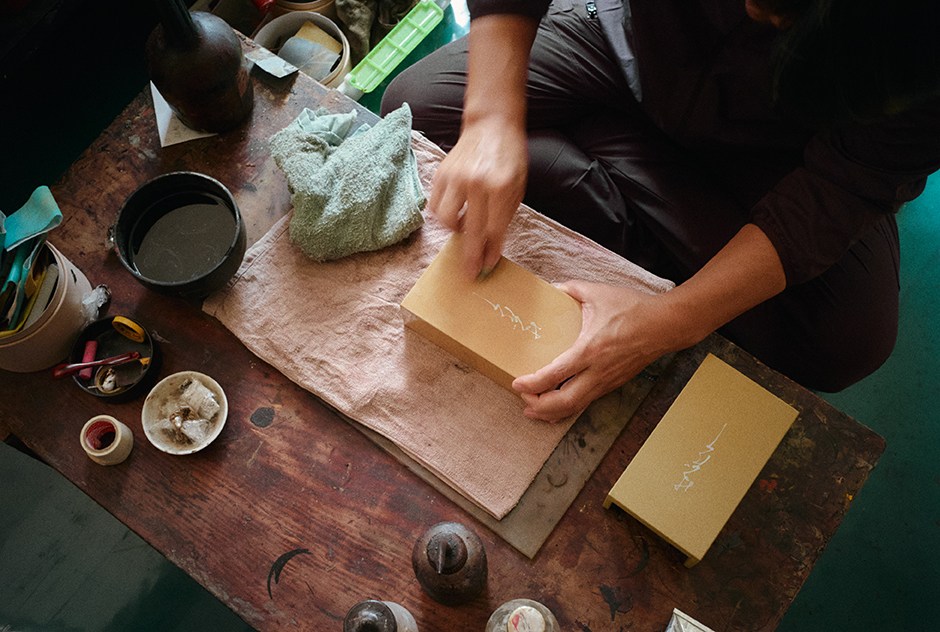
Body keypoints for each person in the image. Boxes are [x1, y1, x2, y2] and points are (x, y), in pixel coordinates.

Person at [381, 0, 940, 422]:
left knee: (844, 343)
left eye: (783, 20)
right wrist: (491, 119)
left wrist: (669, 321)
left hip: (782, 150)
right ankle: (635, 167)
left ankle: (610, 149)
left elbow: (847, 185)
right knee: (420, 110)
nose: (749, 11)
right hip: (631, 45)